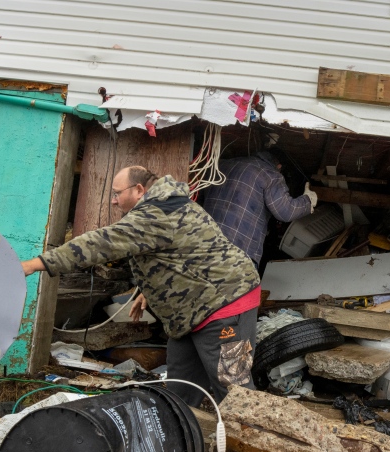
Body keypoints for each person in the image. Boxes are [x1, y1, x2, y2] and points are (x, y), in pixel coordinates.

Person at [21, 166, 261, 406]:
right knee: (181, 389)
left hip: (228, 303)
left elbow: (98, 244)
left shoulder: (153, 215)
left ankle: (253, 436)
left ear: (138, 189)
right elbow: (182, 254)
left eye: (117, 194)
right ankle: (184, 437)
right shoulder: (170, 205)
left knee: (233, 389)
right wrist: (150, 290)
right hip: (192, 310)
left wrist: (35, 264)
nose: (114, 202)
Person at [202, 150, 318, 266]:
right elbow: (286, 211)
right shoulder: (270, 174)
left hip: (202, 244)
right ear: (279, 166)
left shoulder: (222, 165)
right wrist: (308, 201)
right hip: (237, 253)